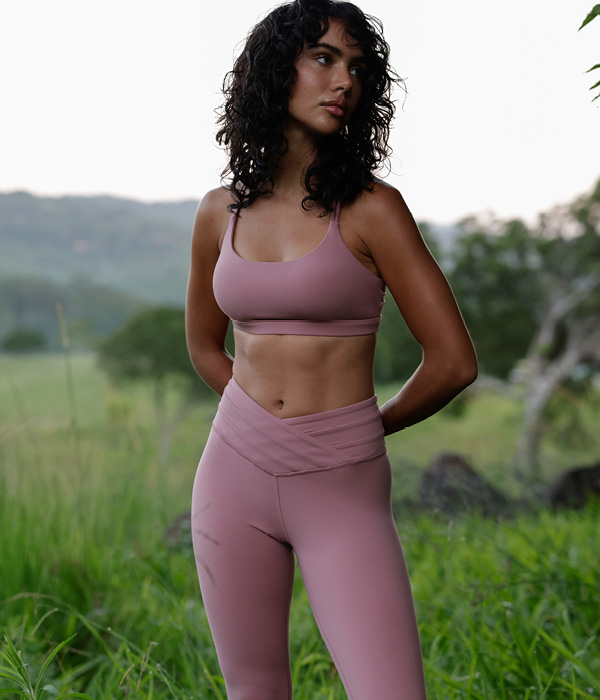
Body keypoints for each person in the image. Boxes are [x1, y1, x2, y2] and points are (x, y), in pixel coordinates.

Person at [185, 1, 478, 698]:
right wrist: (251, 420)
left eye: (356, 67)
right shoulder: (217, 211)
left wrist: (366, 426)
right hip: (232, 474)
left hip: (341, 483)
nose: (344, 80)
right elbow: (202, 342)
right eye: (323, 58)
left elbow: (452, 361)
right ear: (272, 70)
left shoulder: (374, 208)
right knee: (254, 691)